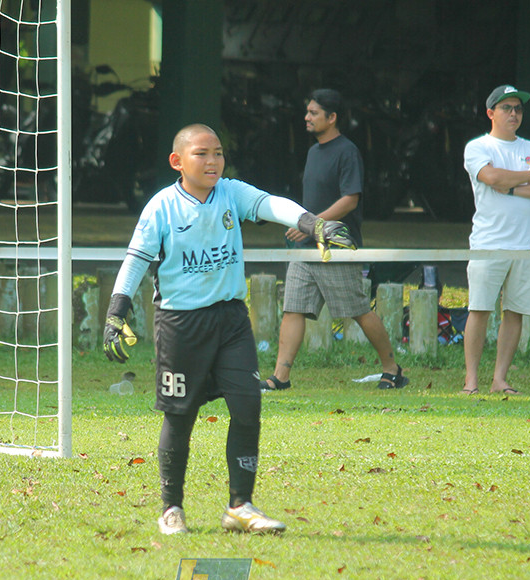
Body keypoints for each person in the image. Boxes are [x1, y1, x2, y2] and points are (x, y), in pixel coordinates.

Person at [102, 123, 355, 535]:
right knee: (180, 418)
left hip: (231, 321)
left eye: (218, 152)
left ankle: (240, 507)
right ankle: (171, 509)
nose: (213, 161)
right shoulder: (161, 207)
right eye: (201, 153)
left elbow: (272, 204)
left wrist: (314, 224)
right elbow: (135, 260)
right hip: (180, 325)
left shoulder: (231, 193)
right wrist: (116, 312)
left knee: (248, 407)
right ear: (177, 161)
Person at [262, 88, 407, 392]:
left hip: (338, 246)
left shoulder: (347, 151)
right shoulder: (314, 151)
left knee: (357, 310)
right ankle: (280, 377)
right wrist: (307, 226)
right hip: (306, 246)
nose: (306, 117)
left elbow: (350, 200)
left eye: (313, 113)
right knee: (293, 308)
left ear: (332, 118)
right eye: (308, 111)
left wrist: (313, 225)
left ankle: (392, 369)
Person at [461, 85, 530, 395]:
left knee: (514, 311)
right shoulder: (478, 147)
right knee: (479, 309)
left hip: (527, 242)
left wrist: (514, 187)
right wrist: (529, 176)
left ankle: (500, 379)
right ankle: (471, 380)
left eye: (518, 108)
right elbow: (492, 178)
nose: (514, 113)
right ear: (491, 113)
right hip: (489, 241)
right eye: (507, 108)